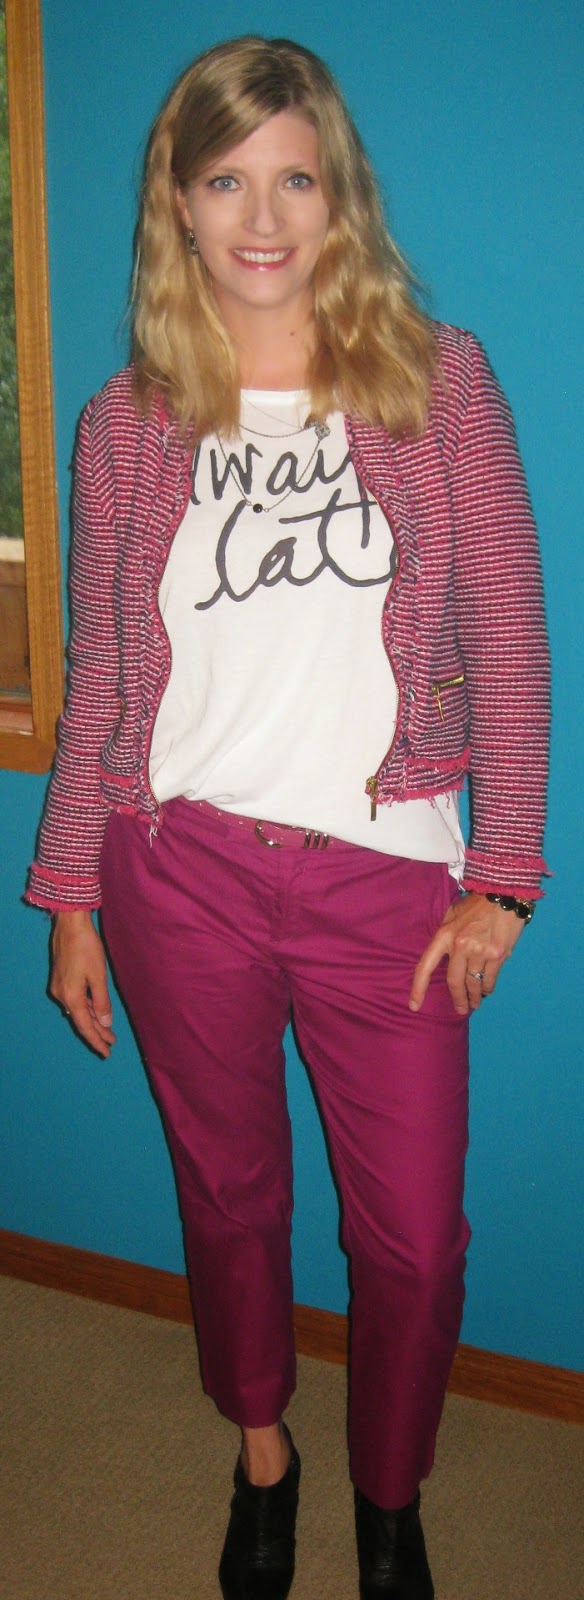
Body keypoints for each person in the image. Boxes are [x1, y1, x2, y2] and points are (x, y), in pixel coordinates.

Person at [26, 35, 550, 1600]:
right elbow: (104, 680)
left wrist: (506, 879)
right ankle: (266, 1456)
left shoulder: (439, 383)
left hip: (386, 881)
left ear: (341, 195)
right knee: (232, 1197)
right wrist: (70, 897)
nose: (263, 217)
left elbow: (508, 638)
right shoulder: (124, 425)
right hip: (175, 869)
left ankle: (390, 1496)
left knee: (416, 1244)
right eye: (226, 181)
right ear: (178, 206)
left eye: (296, 178)